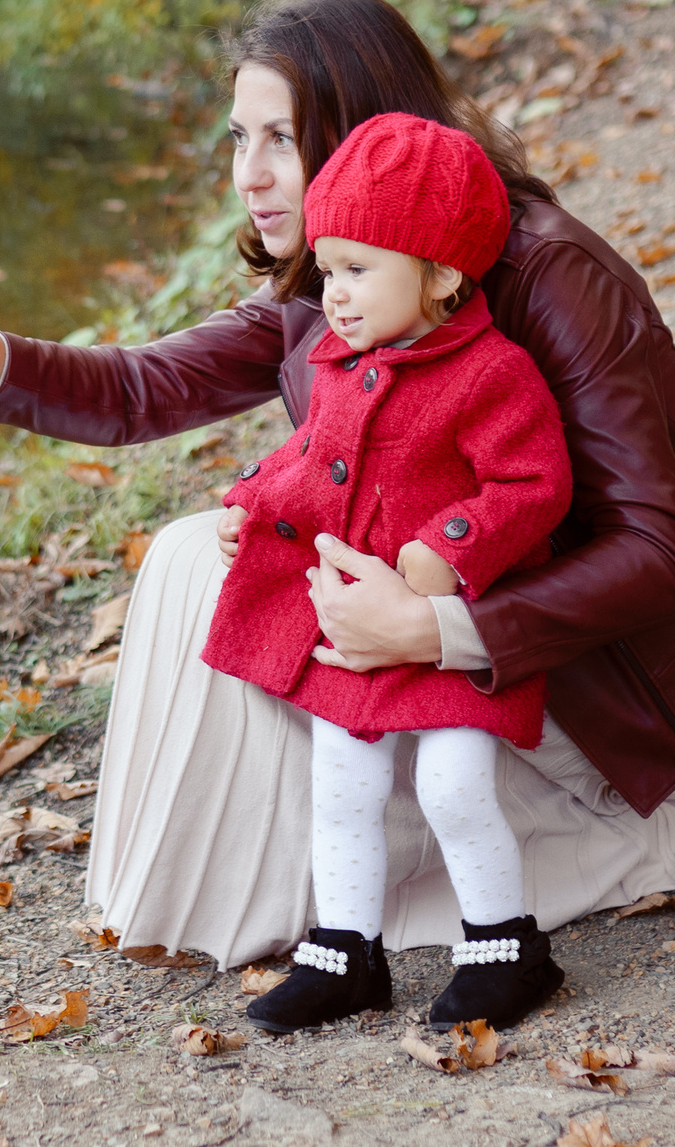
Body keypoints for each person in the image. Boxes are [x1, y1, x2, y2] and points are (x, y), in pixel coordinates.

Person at [0, 0, 675, 973]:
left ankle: (582, 843)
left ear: (368, 133)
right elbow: (139, 390)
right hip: (459, 648)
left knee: (212, 567)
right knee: (200, 552)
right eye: (240, 138)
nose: (250, 173)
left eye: (281, 139)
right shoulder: (348, 286)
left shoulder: (553, 278)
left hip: (599, 693)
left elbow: (657, 556)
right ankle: (275, 892)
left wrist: (433, 630)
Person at [207, 111, 572, 1035]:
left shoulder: (492, 373)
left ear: (441, 272)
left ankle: (503, 947)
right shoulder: (341, 363)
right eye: (328, 270)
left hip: (442, 631)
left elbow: (534, 483)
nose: (334, 294)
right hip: (358, 635)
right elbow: (308, 455)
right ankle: (345, 952)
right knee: (342, 786)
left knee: (454, 785)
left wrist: (453, 542)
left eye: (359, 270)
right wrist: (252, 499)